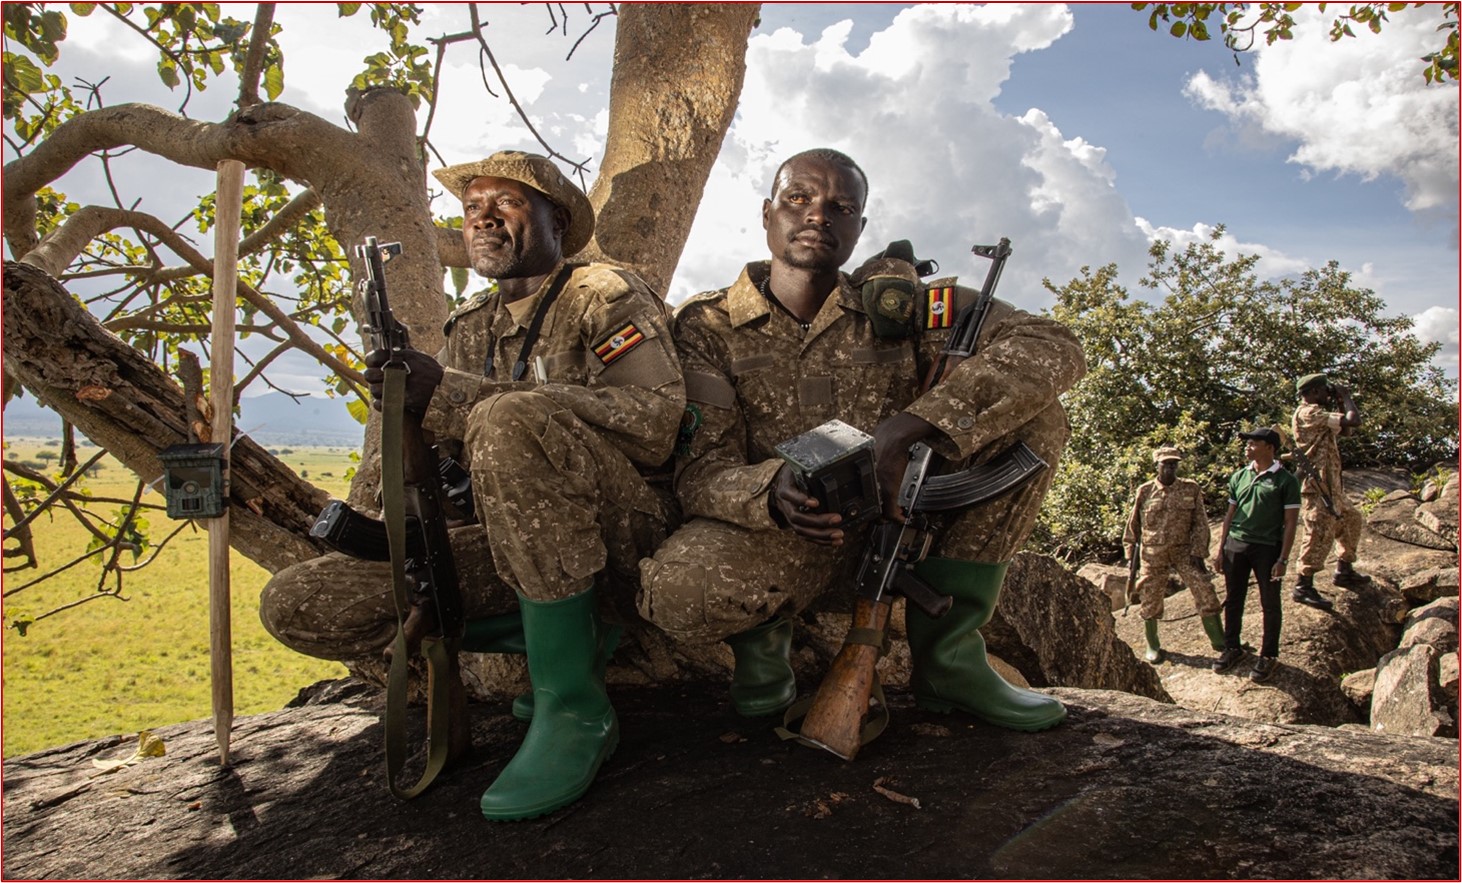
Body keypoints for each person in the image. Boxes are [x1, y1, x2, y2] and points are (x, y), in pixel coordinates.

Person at [258, 151, 685, 820]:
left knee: (510, 415)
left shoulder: (603, 294)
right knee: (297, 600)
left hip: (620, 534)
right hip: (512, 547)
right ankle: (566, 640)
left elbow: (657, 420)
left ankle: (574, 706)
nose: (483, 216)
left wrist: (464, 394)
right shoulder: (468, 330)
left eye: (506, 203)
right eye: (472, 206)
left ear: (555, 219)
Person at [638, 148, 1086, 732]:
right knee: (677, 593)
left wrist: (909, 428)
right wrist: (772, 493)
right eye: (798, 198)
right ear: (767, 213)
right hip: (787, 537)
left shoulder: (910, 308)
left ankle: (947, 661)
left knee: (1037, 418)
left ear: (859, 228)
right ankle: (763, 642)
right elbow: (700, 472)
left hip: (902, 530)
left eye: (841, 207)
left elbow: (1055, 346)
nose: (818, 215)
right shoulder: (708, 326)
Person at [1210, 427, 1301, 683]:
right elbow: (1229, 515)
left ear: (1270, 448)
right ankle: (1232, 647)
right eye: (1247, 443)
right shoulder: (1239, 476)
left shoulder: (1286, 480)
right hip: (1236, 545)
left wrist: (1283, 558)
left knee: (1269, 603)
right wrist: (1220, 549)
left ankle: (1268, 655)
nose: (1248, 447)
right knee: (1234, 598)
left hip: (1267, 547)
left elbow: (1291, 522)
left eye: (1253, 443)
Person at [1122, 446, 1225, 663]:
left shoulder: (1190, 489)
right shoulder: (1145, 490)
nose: (1170, 467)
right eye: (1166, 463)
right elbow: (1133, 525)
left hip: (1184, 551)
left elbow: (1200, 522)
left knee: (1204, 589)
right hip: (1153, 553)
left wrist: (1199, 551)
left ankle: (1219, 639)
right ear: (1157, 465)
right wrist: (1130, 553)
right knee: (1150, 597)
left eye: (1174, 463)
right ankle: (1152, 644)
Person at [1291, 373, 1370, 611]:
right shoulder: (1308, 412)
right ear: (1313, 392)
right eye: (1325, 390)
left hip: (1331, 485)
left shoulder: (1320, 414)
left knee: (1351, 519)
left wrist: (1339, 402)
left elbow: (1346, 430)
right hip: (1317, 485)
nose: (1328, 393)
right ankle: (1303, 585)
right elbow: (1354, 421)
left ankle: (1344, 570)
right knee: (1318, 532)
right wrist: (1345, 397)